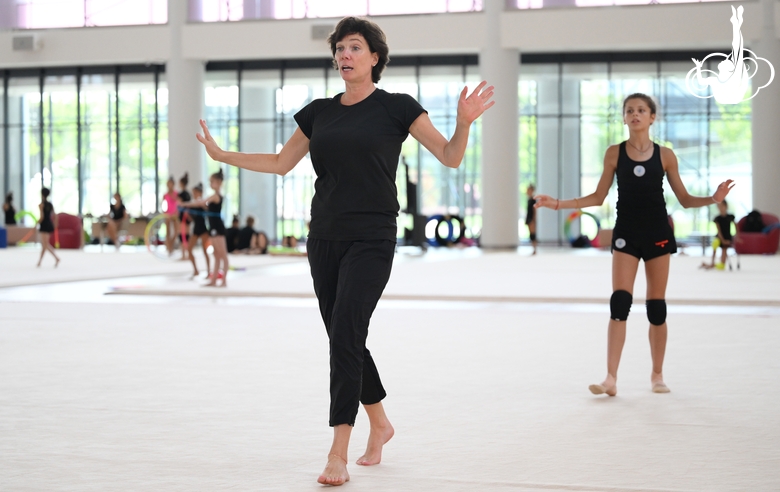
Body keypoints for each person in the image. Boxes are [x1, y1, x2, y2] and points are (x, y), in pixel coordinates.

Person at [195, 15, 494, 486]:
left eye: (354, 48)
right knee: (343, 335)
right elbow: (279, 163)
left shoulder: (398, 107)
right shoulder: (319, 112)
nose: (344, 56)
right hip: (324, 238)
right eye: (339, 49)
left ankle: (338, 450)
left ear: (375, 57)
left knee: (346, 331)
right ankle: (381, 422)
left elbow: (451, 156)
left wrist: (463, 123)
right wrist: (223, 155)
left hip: (373, 237)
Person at [535, 93, 733, 397]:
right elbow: (598, 196)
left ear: (652, 117)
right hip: (626, 233)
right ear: (625, 118)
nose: (635, 114)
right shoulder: (614, 153)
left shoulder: (665, 155)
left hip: (657, 233)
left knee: (656, 308)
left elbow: (684, 199)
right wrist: (558, 203)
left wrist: (713, 199)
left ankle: (657, 374)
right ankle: (610, 378)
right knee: (619, 304)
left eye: (642, 110)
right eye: (630, 111)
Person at [183, 170, 228, 287]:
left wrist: (186, 204)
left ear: (218, 182)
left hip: (217, 228)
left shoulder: (215, 196)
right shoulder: (214, 196)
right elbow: (205, 206)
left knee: (222, 254)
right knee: (217, 255)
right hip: (213, 227)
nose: (210, 184)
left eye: (212, 181)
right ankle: (213, 280)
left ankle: (224, 281)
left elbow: (202, 203)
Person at [182, 183, 211, 278]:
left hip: (203, 229)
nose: (194, 194)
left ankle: (208, 271)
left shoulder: (203, 202)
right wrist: (188, 214)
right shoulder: (192, 204)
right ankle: (195, 270)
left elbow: (206, 209)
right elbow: (191, 219)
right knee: (189, 249)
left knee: (205, 250)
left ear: (200, 193)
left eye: (195, 192)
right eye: (193, 192)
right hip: (196, 229)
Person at [703, 200, 736, 270]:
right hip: (720, 237)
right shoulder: (717, 218)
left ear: (726, 206)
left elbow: (736, 227)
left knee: (724, 250)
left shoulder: (730, 217)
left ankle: (719, 264)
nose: (720, 208)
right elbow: (719, 231)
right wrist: (722, 240)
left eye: (722, 206)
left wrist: (737, 237)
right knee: (715, 243)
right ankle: (712, 262)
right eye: (718, 207)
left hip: (727, 237)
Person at [36, 187, 60, 268]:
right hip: (49, 224)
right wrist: (55, 225)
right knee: (44, 245)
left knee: (45, 245)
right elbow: (55, 216)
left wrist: (36, 224)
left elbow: (42, 217)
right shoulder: (50, 204)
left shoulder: (41, 205)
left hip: (43, 225)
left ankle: (56, 258)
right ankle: (39, 262)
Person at [162, 177, 178, 255]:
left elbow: (178, 204)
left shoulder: (176, 194)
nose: (169, 185)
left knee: (176, 232)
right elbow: (163, 205)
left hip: (175, 214)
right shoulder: (165, 195)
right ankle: (169, 247)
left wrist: (175, 213)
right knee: (167, 232)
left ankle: (170, 245)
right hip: (167, 215)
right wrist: (165, 213)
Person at [178, 173, 192, 261]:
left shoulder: (182, 194)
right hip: (187, 216)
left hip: (184, 216)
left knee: (183, 235)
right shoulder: (188, 194)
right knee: (186, 235)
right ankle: (185, 254)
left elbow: (179, 205)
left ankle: (184, 254)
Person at [525, 184, 537, 255]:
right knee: (531, 234)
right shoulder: (529, 200)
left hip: (531, 218)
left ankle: (535, 249)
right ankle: (533, 248)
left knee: (533, 234)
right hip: (528, 217)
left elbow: (534, 210)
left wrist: (534, 219)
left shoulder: (533, 200)